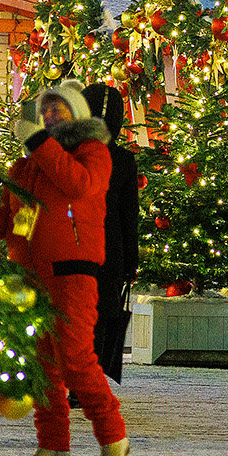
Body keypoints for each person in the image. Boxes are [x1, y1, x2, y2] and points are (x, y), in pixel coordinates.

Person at [0, 80, 129, 456]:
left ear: (77, 114)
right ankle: (53, 445)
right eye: (45, 110)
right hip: (28, 278)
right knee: (42, 364)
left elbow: (78, 184)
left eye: (58, 109)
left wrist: (39, 145)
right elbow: (2, 225)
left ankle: (113, 433)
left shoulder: (92, 152)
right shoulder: (25, 165)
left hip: (72, 270)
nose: (50, 115)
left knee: (75, 356)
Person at [82, 83, 138, 384]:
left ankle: (77, 378)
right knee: (102, 316)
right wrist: (131, 260)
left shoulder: (69, 153)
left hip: (75, 243)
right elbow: (130, 214)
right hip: (109, 247)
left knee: (77, 314)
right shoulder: (124, 160)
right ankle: (90, 379)